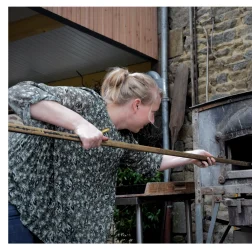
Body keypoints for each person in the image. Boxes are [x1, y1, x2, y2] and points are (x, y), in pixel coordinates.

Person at [8, 67, 216, 243]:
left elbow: (151, 160)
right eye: (152, 112)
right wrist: (79, 124)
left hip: (52, 224)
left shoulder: (123, 139)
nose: (152, 121)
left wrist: (191, 156)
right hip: (19, 200)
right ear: (136, 105)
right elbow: (19, 93)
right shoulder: (87, 103)